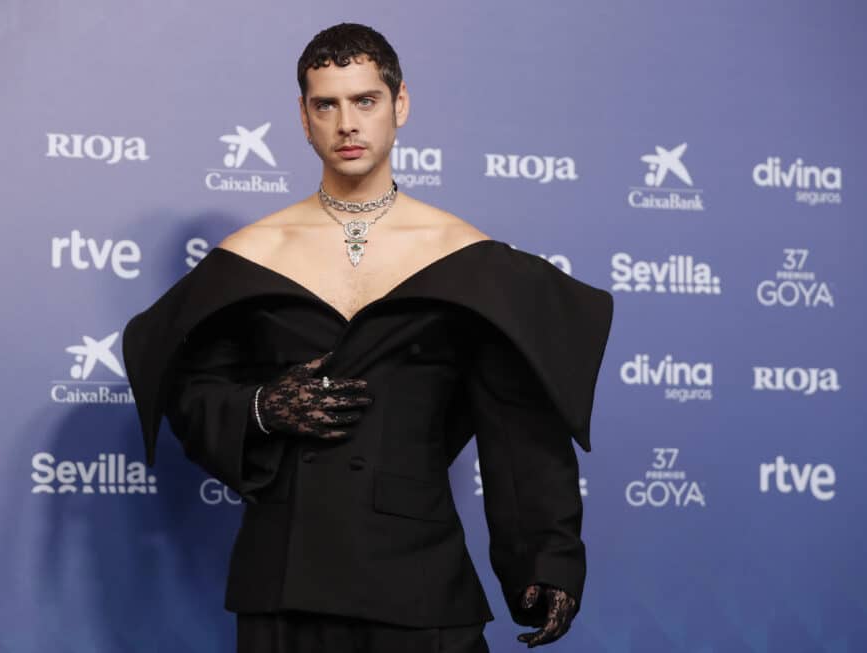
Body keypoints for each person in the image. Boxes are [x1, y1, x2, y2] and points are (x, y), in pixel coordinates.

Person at [122, 22, 614, 652]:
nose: (346, 124)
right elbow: (191, 393)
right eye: (326, 104)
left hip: (420, 579)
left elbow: (518, 424)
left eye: (364, 101)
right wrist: (259, 409)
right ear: (303, 118)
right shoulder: (252, 256)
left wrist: (547, 559)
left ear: (399, 104)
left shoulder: (466, 259)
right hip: (285, 578)